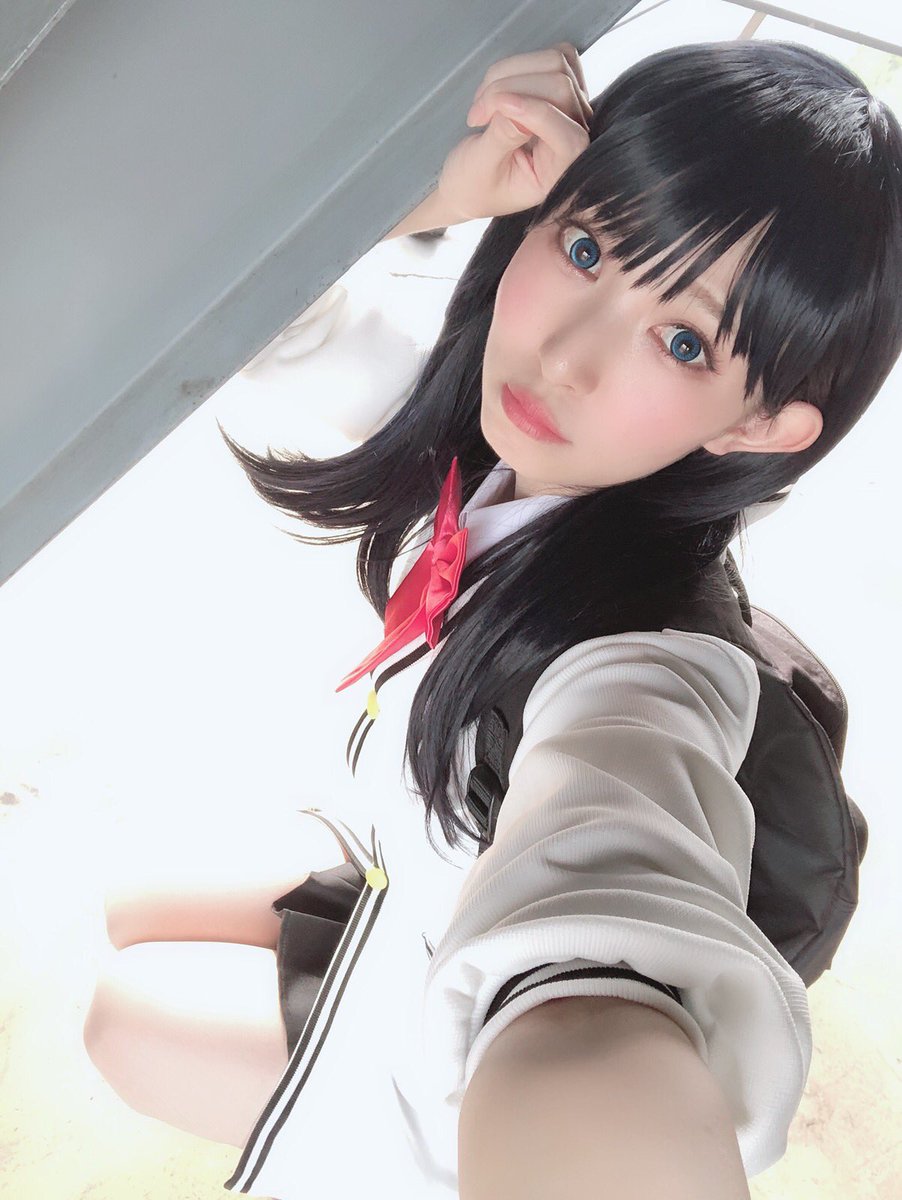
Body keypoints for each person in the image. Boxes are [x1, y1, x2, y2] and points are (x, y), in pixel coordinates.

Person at [83, 39, 902, 1199]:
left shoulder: (644, 671)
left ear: (755, 426)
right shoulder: (495, 439)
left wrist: (586, 1061)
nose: (562, 357)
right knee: (134, 904)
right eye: (586, 247)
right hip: (409, 870)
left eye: (680, 341)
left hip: (438, 1027)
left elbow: (609, 889)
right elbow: (234, 301)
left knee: (125, 1017)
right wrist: (428, 194)